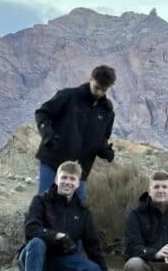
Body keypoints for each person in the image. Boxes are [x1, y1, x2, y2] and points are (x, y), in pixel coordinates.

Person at [19, 160, 116, 271]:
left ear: (78, 183)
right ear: (56, 179)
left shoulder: (83, 212)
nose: (67, 182)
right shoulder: (41, 201)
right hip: (33, 259)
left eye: (72, 179)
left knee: (94, 270)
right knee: (37, 242)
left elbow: (93, 247)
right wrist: (56, 236)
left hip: (60, 263)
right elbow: (30, 229)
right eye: (64, 177)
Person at [35, 65, 117, 201]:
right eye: (97, 87)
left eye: (103, 90)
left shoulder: (107, 111)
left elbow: (102, 138)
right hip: (53, 160)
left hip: (80, 169)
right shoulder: (68, 96)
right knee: (44, 202)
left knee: (77, 207)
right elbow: (42, 113)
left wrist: (105, 150)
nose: (99, 93)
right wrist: (47, 133)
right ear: (91, 79)